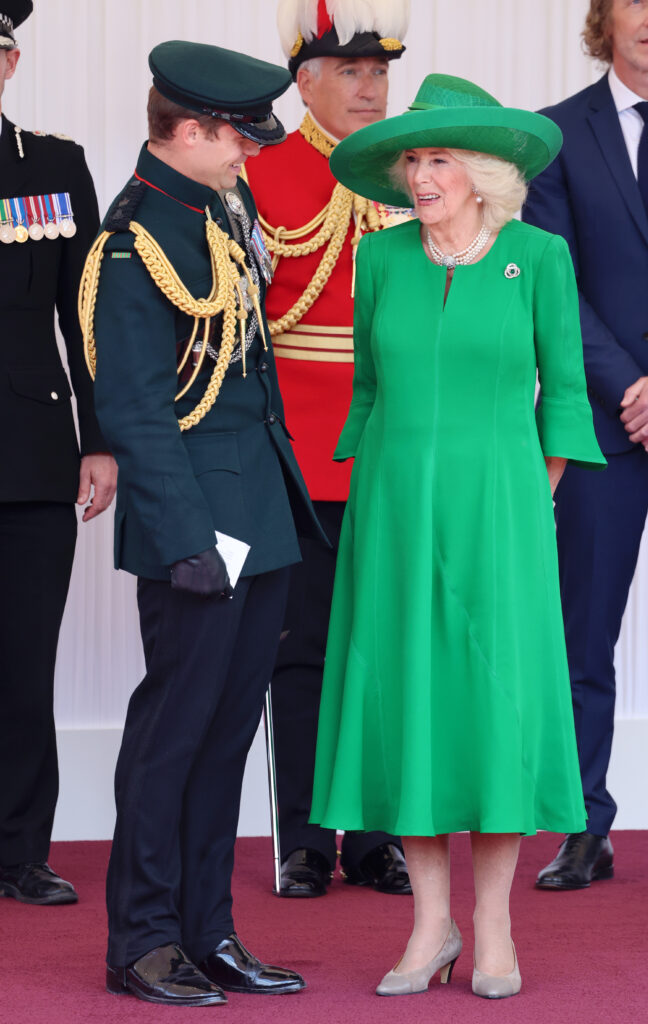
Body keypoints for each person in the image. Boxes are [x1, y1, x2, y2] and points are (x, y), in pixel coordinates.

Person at [309, 74, 606, 1000]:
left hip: (501, 514)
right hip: (392, 511)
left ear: (480, 171)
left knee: (493, 708)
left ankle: (493, 930)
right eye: (411, 157)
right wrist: (369, 476)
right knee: (413, 707)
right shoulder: (381, 259)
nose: (420, 172)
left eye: (438, 157)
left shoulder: (539, 256)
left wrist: (532, 496)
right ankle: (428, 926)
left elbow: (562, 392)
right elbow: (366, 389)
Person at [83, 40, 324, 1007]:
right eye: (235, 136)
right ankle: (143, 940)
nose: (248, 152)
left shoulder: (219, 212)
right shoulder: (135, 239)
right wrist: (185, 538)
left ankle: (207, 931)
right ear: (188, 131)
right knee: (171, 734)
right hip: (197, 527)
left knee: (226, 735)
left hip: (256, 511)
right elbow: (135, 408)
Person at [245, 0, 412, 899]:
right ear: (303, 81)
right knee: (300, 646)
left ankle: (380, 837)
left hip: (393, 444)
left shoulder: (413, 170)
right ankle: (307, 840)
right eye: (349, 71)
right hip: (299, 448)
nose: (368, 86)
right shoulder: (262, 169)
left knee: (385, 646)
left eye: (379, 71)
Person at [523, 0, 648, 891]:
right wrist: (638, 390)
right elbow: (554, 284)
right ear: (603, 20)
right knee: (581, 635)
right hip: (597, 425)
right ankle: (583, 827)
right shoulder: (551, 138)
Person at [0, 0, 117, 907]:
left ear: (8, 63)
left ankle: (17, 851)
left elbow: (87, 314)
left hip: (31, 452)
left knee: (22, 656)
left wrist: (100, 438)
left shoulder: (50, 165)